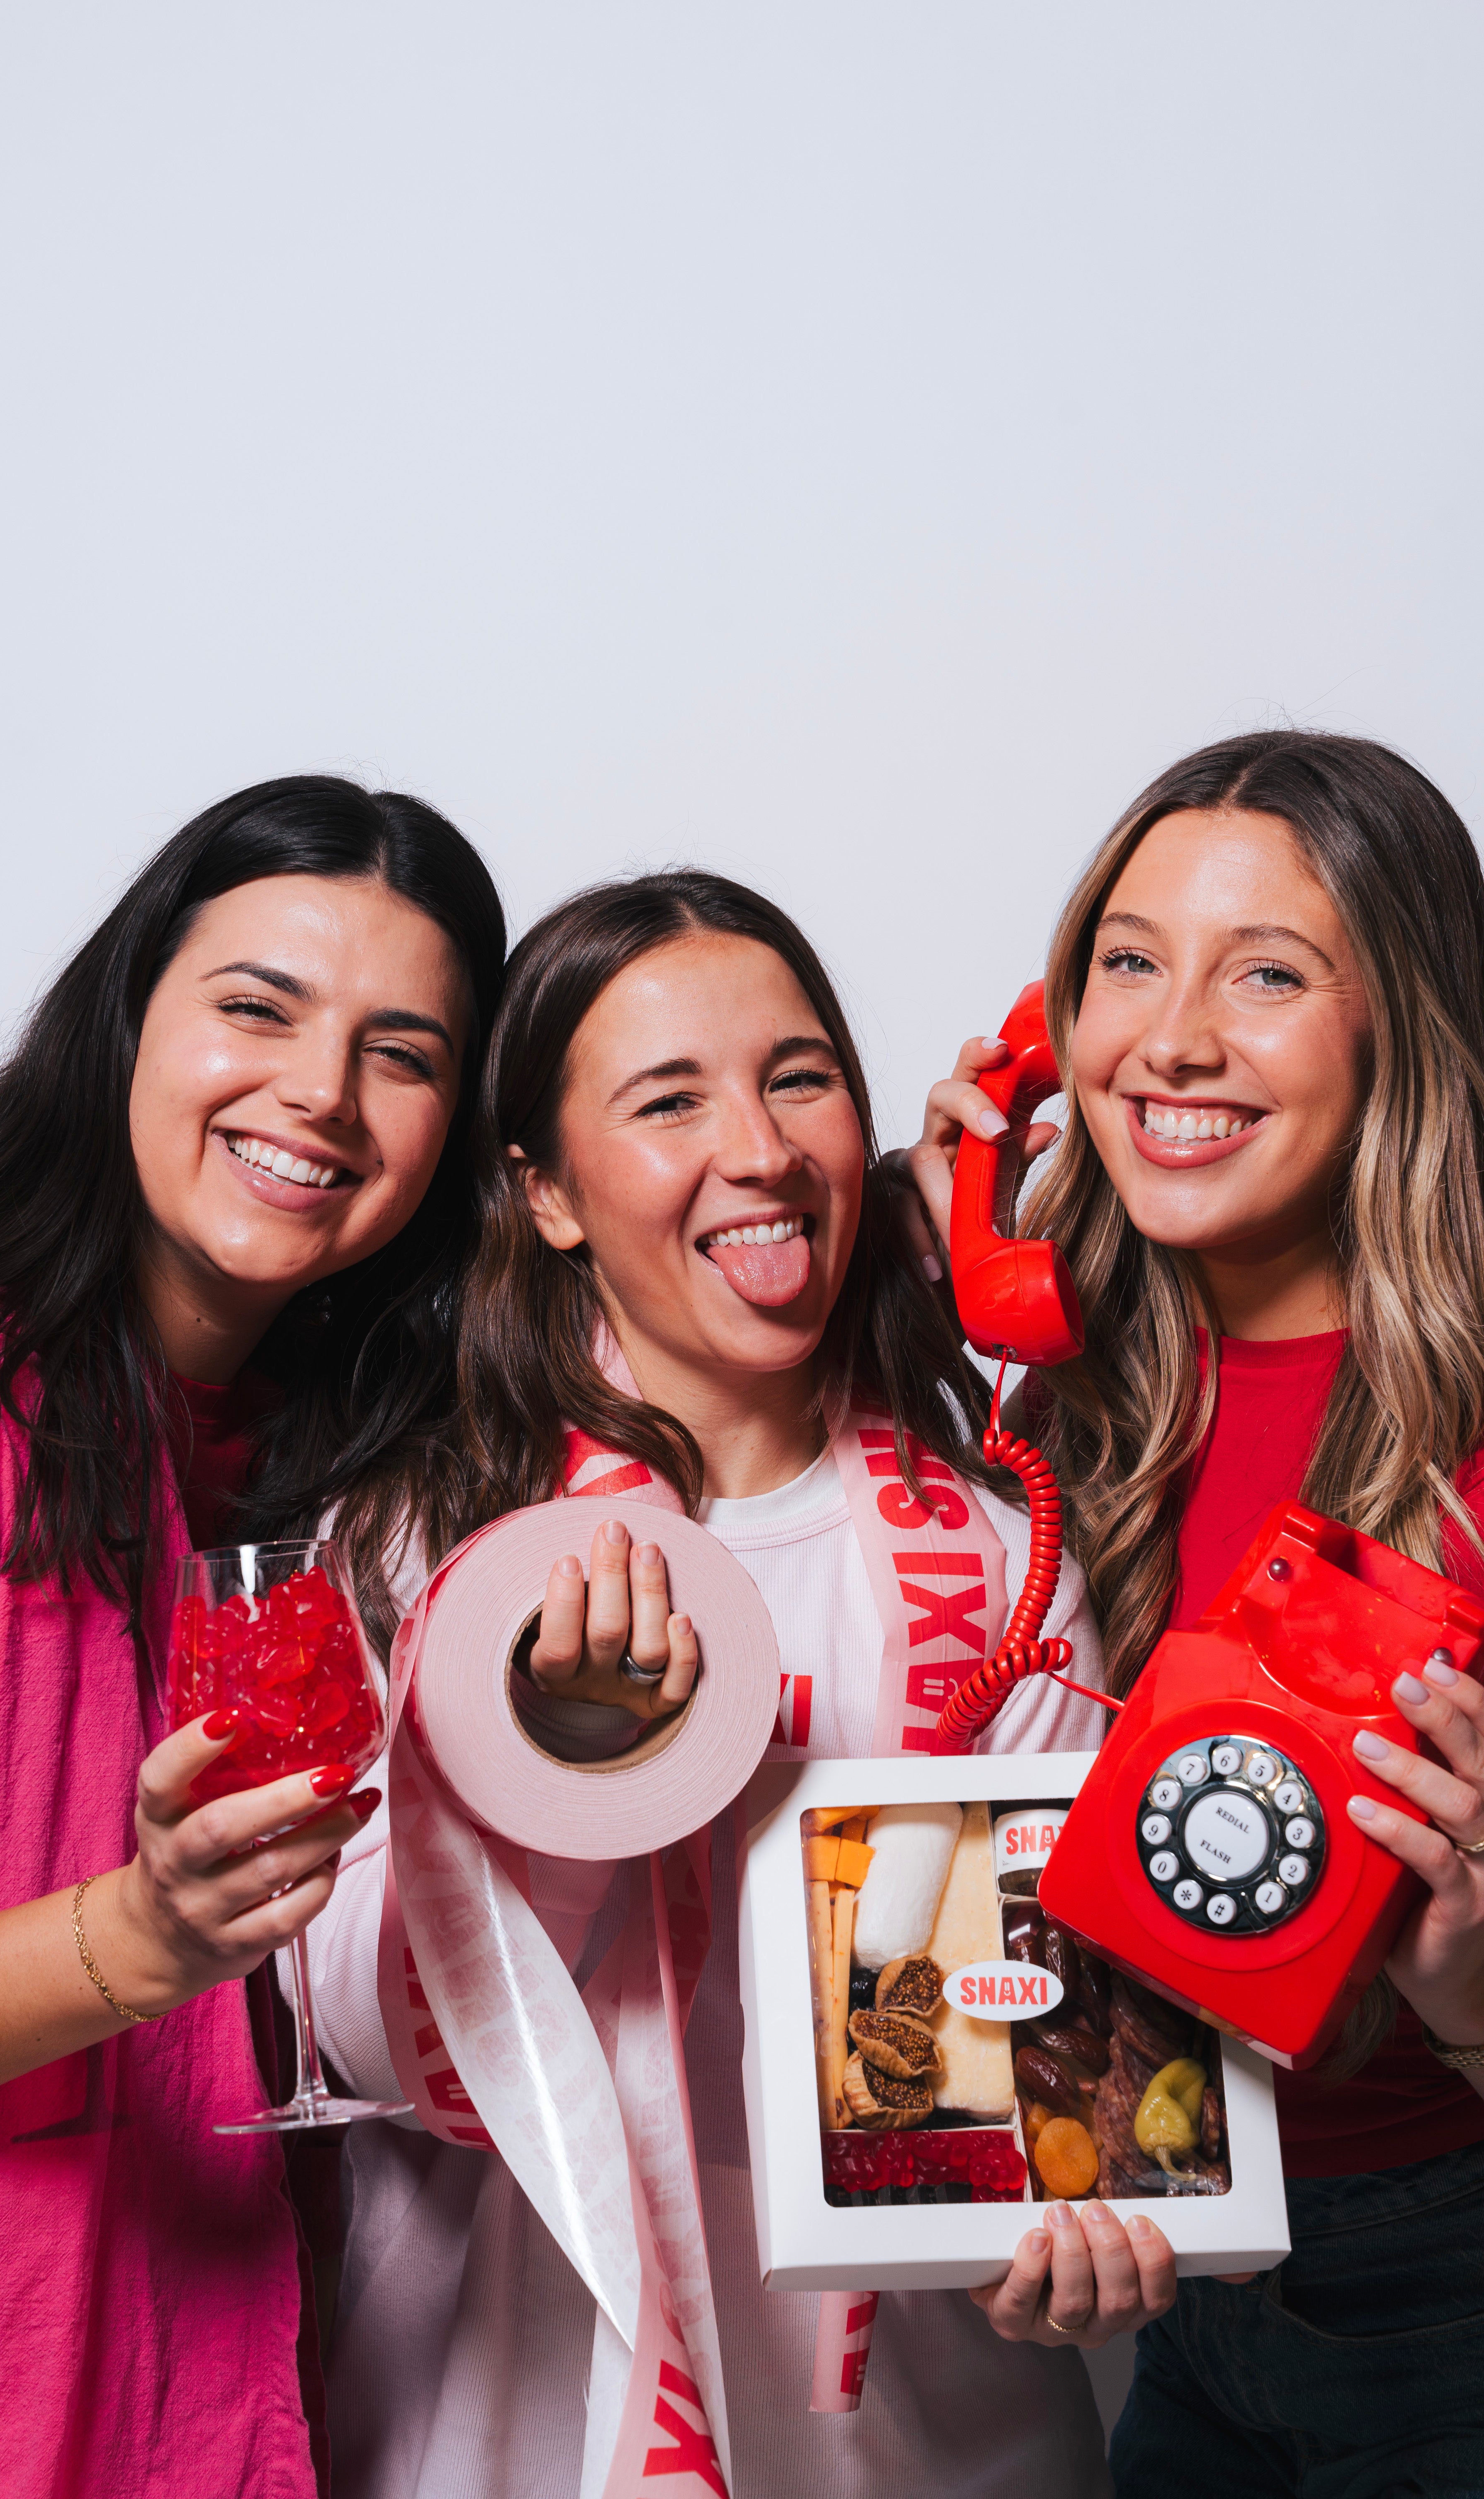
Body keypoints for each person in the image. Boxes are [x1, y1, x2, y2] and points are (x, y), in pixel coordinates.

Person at [306, 869, 1176, 2499]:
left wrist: (1072, 2214)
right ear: (547, 1193)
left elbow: (1061, 2057)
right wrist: (554, 1777)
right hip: (521, 2431)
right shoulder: (430, 1550)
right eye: (666, 1100)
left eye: (798, 1078)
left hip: (934, 2444)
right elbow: (358, 2045)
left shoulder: (1008, 1566)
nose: (761, 1150)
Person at [0, 776, 505, 2499]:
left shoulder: (360, 1453)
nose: (320, 1097)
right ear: (132, 1015)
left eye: (403, 1056)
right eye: (257, 1009)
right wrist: (136, 1939)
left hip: (278, 2406)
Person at [906, 730, 1484, 2496]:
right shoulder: (1070, 1397)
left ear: (1401, 1023)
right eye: (1127, 962)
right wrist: (1047, 2166)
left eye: (1269, 975)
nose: (1168, 1040)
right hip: (1197, 2291)